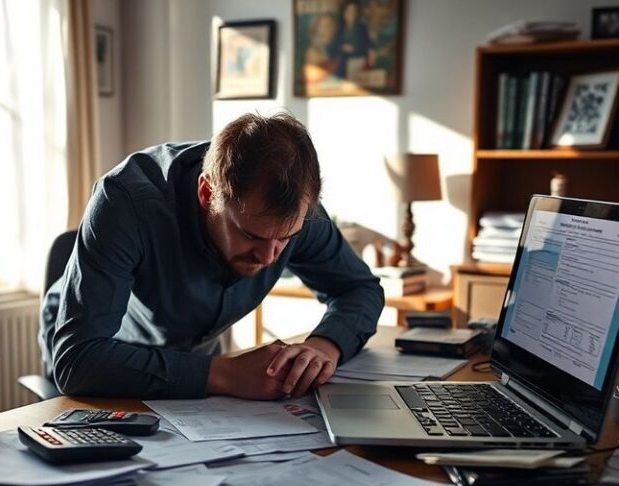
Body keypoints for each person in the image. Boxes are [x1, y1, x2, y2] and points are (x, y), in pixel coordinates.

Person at [41, 111, 384, 400]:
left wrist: (325, 346)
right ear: (207, 193)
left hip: (197, 366)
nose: (268, 256)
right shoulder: (125, 202)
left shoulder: (297, 212)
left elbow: (360, 289)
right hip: (111, 361)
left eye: (286, 239)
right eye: (250, 234)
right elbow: (77, 360)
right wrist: (223, 375)